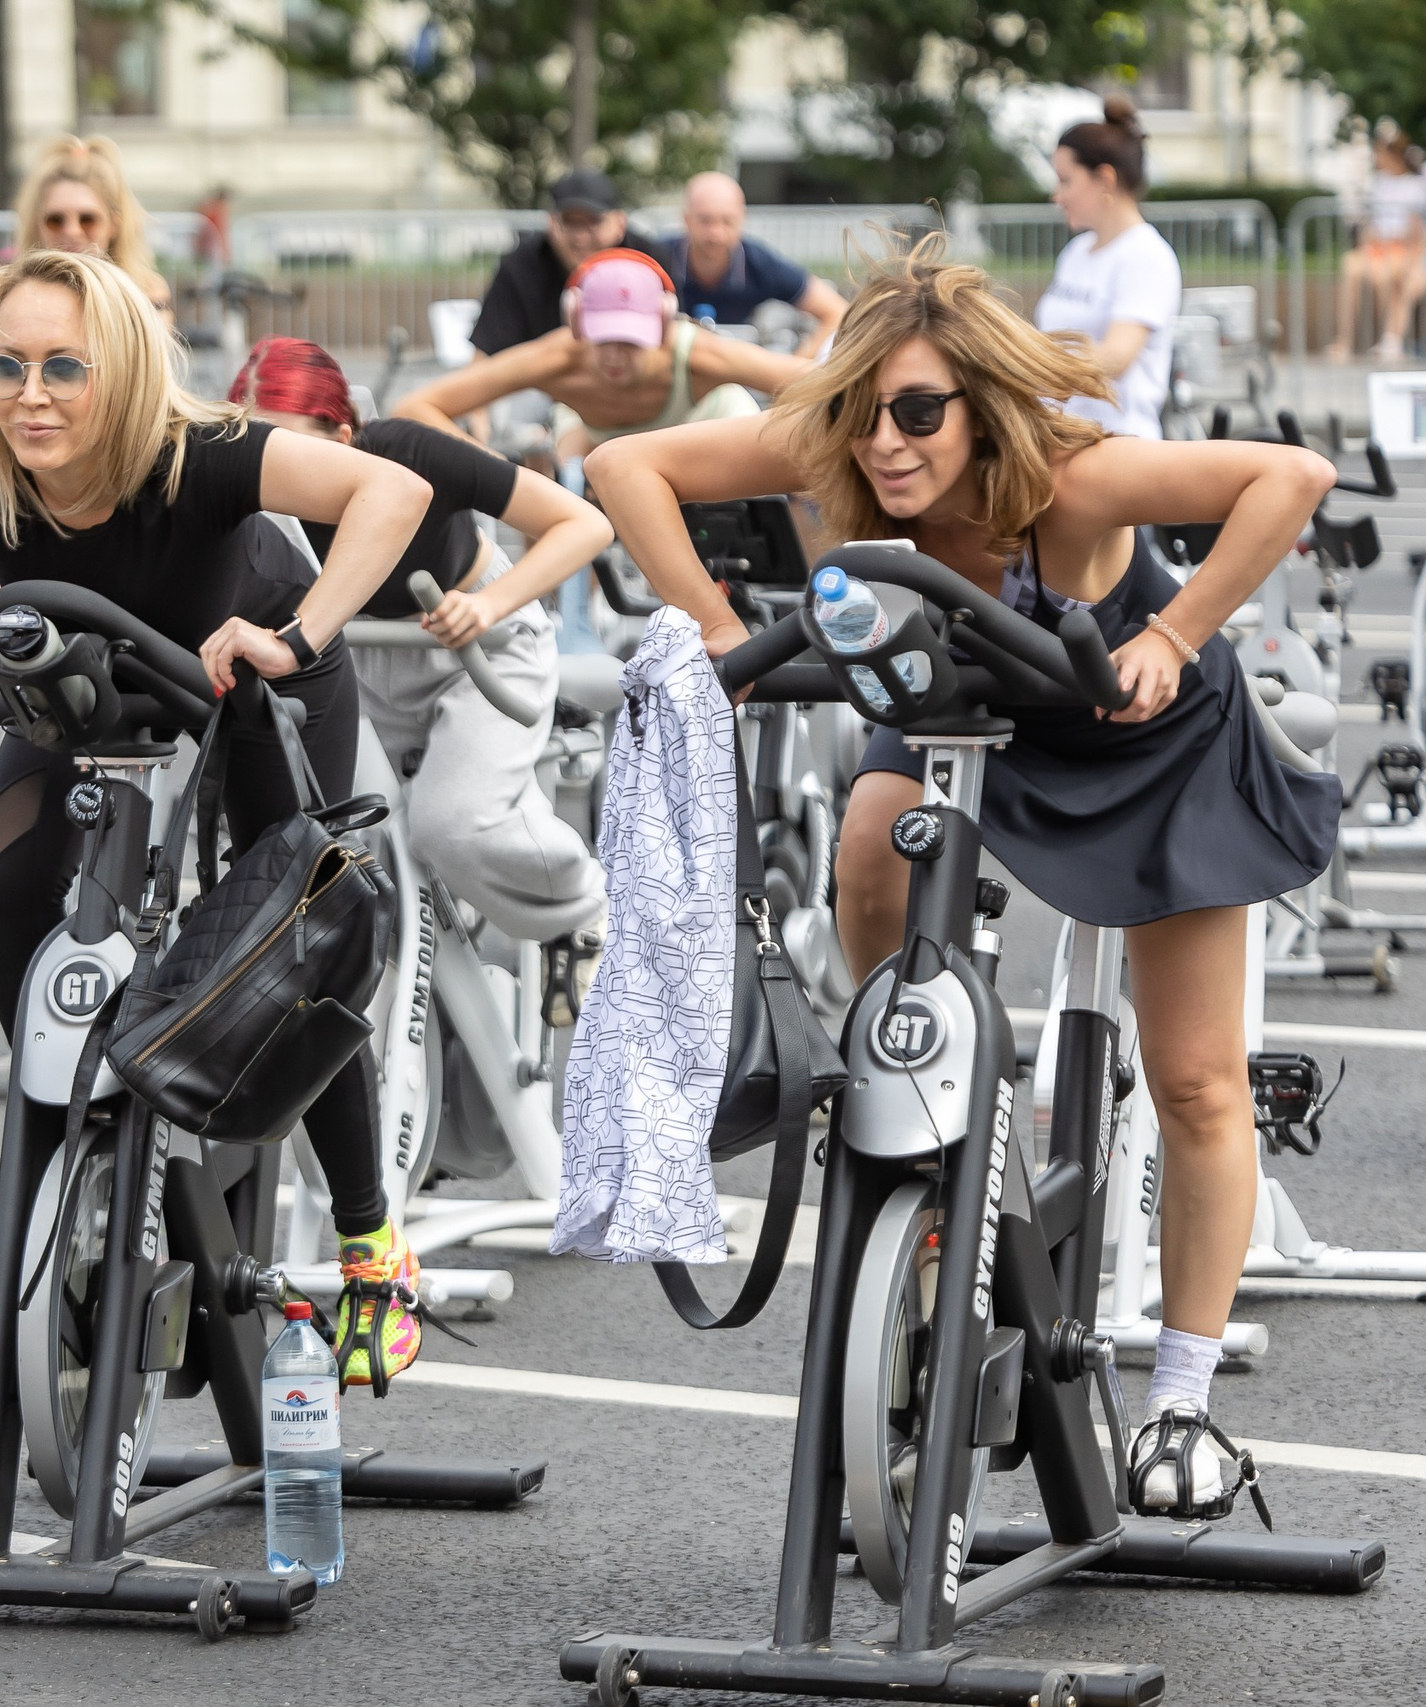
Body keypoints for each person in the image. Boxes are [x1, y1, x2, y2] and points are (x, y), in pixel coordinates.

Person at [584, 240, 1340, 1519]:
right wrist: (715, 628)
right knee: (864, 860)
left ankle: (1182, 1405)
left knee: (1199, 1077)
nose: (885, 442)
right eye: (860, 411)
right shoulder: (852, 450)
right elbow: (622, 465)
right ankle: (927, 1119)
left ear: (980, 409)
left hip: (1136, 732)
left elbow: (1291, 476)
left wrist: (1171, 633)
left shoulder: (1073, 481)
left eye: (919, 411)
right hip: (961, 705)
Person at [0, 248, 443, 1391]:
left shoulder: (197, 454)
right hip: (87, 674)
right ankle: (46, 1140)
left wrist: (295, 637)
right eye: (5, 364)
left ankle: (369, 1245)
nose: (29, 392)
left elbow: (390, 491)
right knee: (6, 885)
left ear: (124, 370)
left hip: (247, 669)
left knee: (293, 940)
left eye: (63, 367)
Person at [227, 337, 609, 1021]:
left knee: (450, 824)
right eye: (260, 455)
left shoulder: (409, 450)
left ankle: (581, 904)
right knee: (353, 848)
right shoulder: (246, 483)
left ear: (343, 436)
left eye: (295, 451)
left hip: (479, 640)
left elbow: (582, 524)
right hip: (351, 649)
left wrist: (488, 604)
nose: (280, 476)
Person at [395, 248, 809, 457]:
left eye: (630, 341)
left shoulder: (699, 353)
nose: (614, 355)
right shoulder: (554, 359)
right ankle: (570, 610)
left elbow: (822, 383)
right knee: (559, 471)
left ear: (664, 327)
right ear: (576, 325)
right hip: (598, 442)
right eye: (603, 338)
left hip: (700, 430)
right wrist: (495, 470)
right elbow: (417, 406)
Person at [1035, 96, 1182, 441]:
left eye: (1065, 180)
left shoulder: (1146, 255)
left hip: (1117, 444)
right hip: (1064, 438)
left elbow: (1116, 357)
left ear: (1104, 179)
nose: (1057, 196)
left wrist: (1023, 367)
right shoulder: (1077, 252)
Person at [0, 135, 174, 324]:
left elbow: (155, 361)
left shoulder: (146, 289)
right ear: (37, 223)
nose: (72, 231)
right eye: (55, 220)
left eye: (87, 219)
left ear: (114, 224)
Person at [662, 172, 846, 355]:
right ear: (686, 219)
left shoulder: (759, 263)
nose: (716, 233)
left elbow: (837, 311)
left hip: (739, 372)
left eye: (727, 221)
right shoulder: (657, 259)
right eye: (705, 221)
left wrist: (797, 365)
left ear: (742, 219)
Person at [468, 169, 633, 359]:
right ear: (551, 223)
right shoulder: (519, 268)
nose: (580, 236)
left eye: (593, 222)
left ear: (619, 223)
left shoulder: (649, 264)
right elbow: (486, 358)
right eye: (569, 222)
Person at [1325, 122, 1426, 363]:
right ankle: (1345, 340)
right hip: (1378, 248)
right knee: (1350, 266)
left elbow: (1416, 233)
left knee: (1388, 278)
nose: (1375, 158)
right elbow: (1372, 224)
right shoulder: (1380, 182)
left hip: (1402, 250)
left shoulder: (1414, 186)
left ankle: (1390, 340)